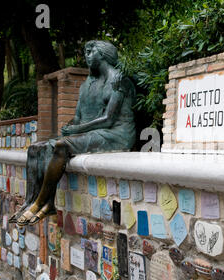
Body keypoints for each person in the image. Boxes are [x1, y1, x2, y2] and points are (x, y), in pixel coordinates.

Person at [10, 40, 136, 226]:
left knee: (61, 145)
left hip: (117, 134)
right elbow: (77, 118)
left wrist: (76, 131)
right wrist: (69, 127)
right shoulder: (87, 86)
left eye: (90, 51)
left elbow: (109, 119)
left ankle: (40, 203)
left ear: (103, 54)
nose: (87, 55)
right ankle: (33, 201)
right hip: (98, 131)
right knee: (36, 148)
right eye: (85, 52)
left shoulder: (119, 80)